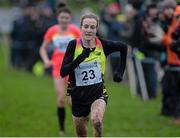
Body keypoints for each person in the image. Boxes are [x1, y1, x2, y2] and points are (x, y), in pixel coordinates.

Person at [60, 13, 127, 137]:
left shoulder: (103, 45)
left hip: (98, 92)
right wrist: (79, 59)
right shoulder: (73, 45)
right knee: (81, 133)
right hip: (77, 94)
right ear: (81, 27)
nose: (89, 30)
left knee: (96, 120)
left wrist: (119, 72)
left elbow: (123, 47)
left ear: (97, 29)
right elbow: (63, 72)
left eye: (92, 27)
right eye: (86, 26)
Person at [39, 3, 80, 135]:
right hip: (57, 66)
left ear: (70, 18)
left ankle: (78, 126)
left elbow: (83, 46)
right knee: (61, 97)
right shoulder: (52, 30)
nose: (64, 20)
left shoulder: (75, 30)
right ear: (58, 18)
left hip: (72, 67)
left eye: (67, 18)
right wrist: (46, 60)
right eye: (62, 17)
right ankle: (62, 129)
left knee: (72, 100)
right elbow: (42, 48)